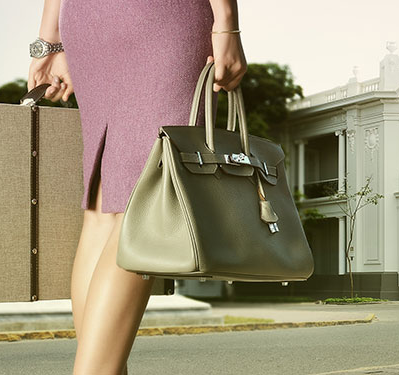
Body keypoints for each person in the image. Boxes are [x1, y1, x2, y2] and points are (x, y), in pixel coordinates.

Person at [27, 1, 247, 373]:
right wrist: (227, 23)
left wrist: (50, 43)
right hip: (162, 16)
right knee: (146, 201)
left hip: (86, 20)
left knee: (104, 211)